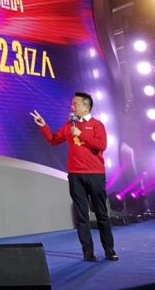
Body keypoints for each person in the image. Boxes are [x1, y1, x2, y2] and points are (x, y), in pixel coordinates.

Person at [30, 92, 118, 262]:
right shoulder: (69, 125)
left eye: (75, 104)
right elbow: (54, 140)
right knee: (81, 216)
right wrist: (43, 126)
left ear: (86, 107)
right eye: (72, 104)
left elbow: (102, 145)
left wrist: (81, 133)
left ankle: (109, 250)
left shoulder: (97, 124)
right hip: (75, 175)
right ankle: (88, 252)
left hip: (95, 174)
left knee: (101, 214)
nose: (72, 106)